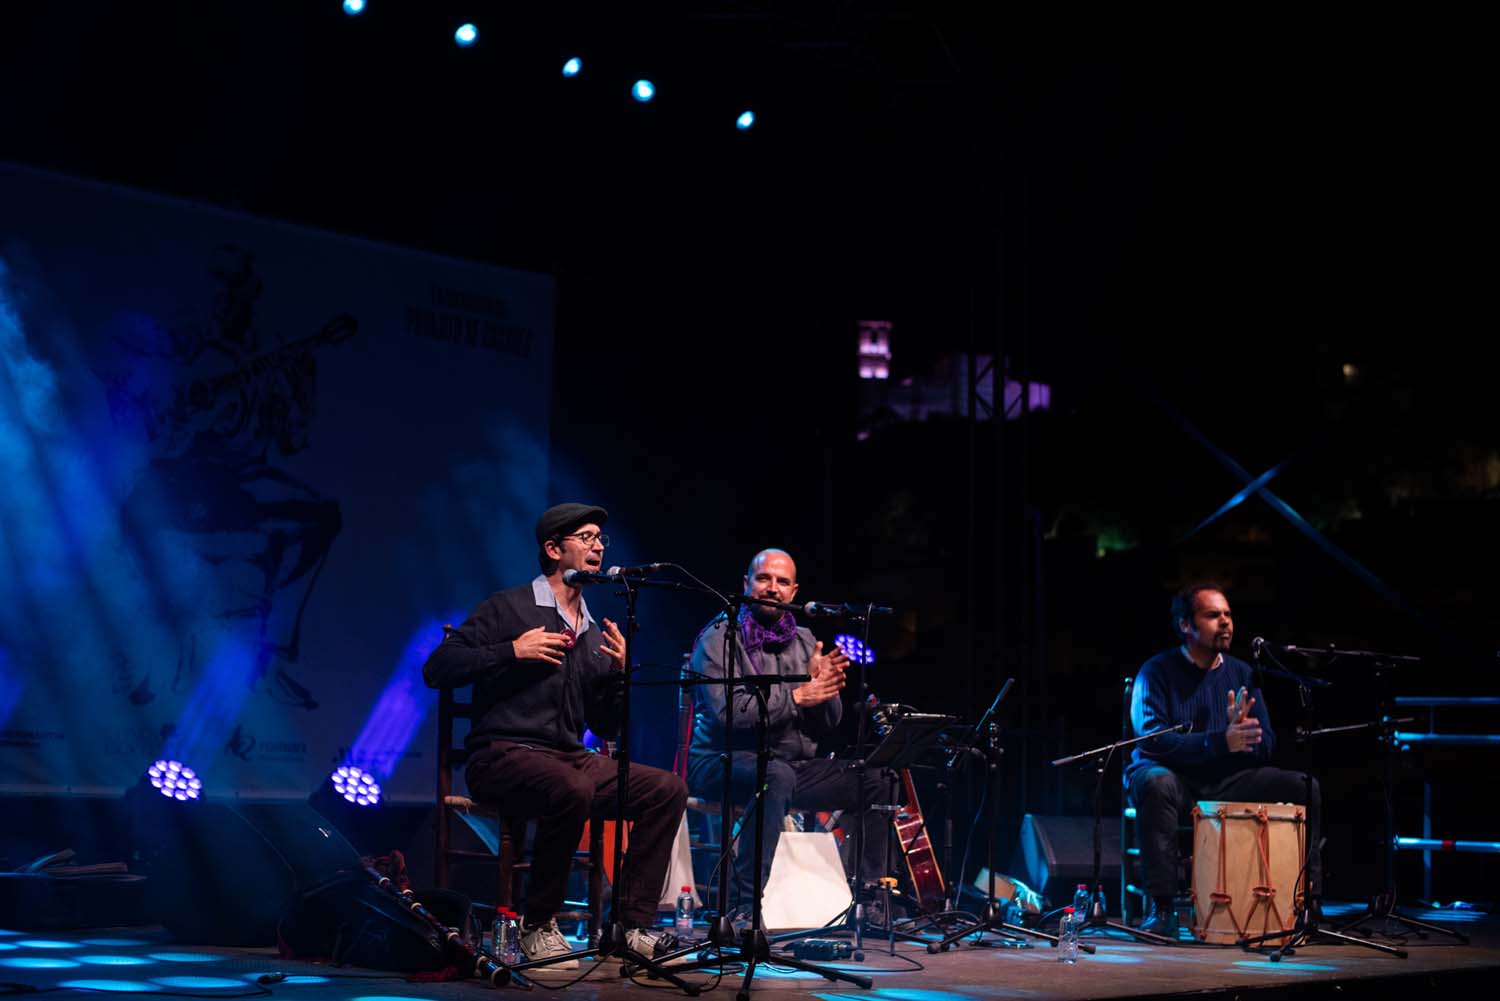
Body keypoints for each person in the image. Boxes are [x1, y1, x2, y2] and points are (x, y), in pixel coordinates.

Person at [423, 503, 688, 967]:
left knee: (666, 789)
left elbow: (606, 727)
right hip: (502, 755)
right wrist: (511, 649)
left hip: (566, 759)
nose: (599, 546)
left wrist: (618, 676)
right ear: (552, 549)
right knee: (573, 787)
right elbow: (438, 669)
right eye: (586, 538)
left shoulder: (590, 631)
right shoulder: (508, 608)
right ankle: (538, 924)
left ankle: (631, 926)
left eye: (601, 539)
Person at [686, 548, 896, 921]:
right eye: (764, 578)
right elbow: (728, 714)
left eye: (782, 582)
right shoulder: (719, 638)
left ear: (794, 591)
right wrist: (799, 695)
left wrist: (823, 690)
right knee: (775, 776)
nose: (772, 588)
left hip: (790, 766)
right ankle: (744, 907)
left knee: (880, 780)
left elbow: (827, 724)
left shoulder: (803, 640)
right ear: (746, 583)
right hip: (722, 761)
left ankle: (866, 902)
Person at [1125, 583, 1322, 936]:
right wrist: (1220, 742)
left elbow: (1268, 744)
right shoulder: (1156, 672)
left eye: (1228, 614)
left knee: (1304, 785)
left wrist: (1247, 739)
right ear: (1186, 625)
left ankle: (1310, 901)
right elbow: (1153, 741)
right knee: (1155, 782)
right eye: (1213, 615)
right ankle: (1163, 907)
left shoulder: (1242, 673)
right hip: (1174, 778)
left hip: (1226, 779)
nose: (1226, 622)